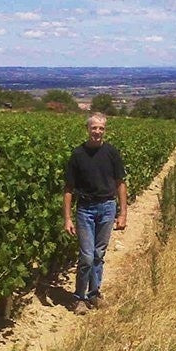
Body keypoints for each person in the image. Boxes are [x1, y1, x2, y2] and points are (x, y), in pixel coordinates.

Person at [64, 112, 127, 315]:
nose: (97, 132)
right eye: (94, 128)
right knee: (86, 256)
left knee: (98, 255)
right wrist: (67, 218)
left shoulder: (111, 153)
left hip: (108, 208)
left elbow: (120, 184)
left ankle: (94, 293)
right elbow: (68, 189)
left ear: (104, 130)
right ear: (87, 129)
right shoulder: (77, 154)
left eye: (101, 128)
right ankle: (79, 297)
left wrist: (123, 213)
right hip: (85, 210)